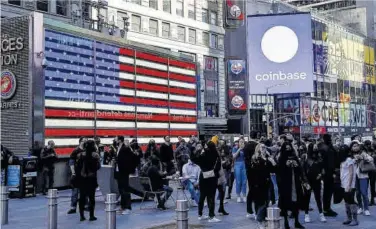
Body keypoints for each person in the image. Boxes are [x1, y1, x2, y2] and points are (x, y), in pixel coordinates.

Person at [191, 141, 221, 223]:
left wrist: (196, 150)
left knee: (202, 195)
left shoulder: (203, 154)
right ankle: (211, 216)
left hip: (202, 176)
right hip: (211, 177)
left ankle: (200, 215)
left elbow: (193, 158)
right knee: (211, 196)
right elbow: (218, 167)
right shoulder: (215, 155)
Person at [278, 142, 307, 229]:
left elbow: (300, 170)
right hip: (285, 185)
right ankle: (286, 223)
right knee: (286, 204)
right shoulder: (281, 158)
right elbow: (279, 171)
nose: (288, 150)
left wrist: (296, 165)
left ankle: (296, 222)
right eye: (286, 148)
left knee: (296, 203)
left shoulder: (294, 156)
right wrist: (285, 165)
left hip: (295, 183)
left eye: (289, 148)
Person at [249, 143, 276, 229]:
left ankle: (263, 219)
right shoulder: (255, 158)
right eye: (262, 147)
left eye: (264, 147)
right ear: (258, 148)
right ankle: (260, 220)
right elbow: (254, 170)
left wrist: (272, 161)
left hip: (267, 182)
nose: (263, 148)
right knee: (260, 202)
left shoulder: (268, 158)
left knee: (267, 202)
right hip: (257, 183)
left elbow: (273, 170)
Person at [75, 140, 101, 221]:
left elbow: (77, 167)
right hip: (91, 179)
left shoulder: (80, 155)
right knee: (92, 198)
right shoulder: (96, 155)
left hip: (82, 179)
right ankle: (91, 216)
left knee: (82, 197)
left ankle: (81, 216)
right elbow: (98, 167)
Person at [303, 143, 326, 223]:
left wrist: (321, 175)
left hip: (317, 180)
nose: (316, 148)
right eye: (314, 147)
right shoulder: (305, 157)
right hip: (308, 181)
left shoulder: (319, 157)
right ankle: (306, 214)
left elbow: (323, 168)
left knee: (318, 198)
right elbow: (303, 171)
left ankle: (321, 214)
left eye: (316, 147)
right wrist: (305, 181)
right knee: (307, 198)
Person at [114, 136, 138, 215]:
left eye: (116, 138)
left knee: (126, 189)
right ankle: (122, 206)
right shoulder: (118, 147)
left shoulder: (126, 148)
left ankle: (128, 207)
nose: (115, 140)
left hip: (124, 171)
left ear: (120, 140)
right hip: (118, 171)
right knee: (121, 189)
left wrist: (130, 169)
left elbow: (132, 158)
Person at [352, 140, 373, 216]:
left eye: (356, 146)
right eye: (354, 146)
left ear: (359, 146)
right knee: (357, 193)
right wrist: (354, 160)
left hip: (363, 175)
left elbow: (371, 159)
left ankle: (366, 209)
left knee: (364, 193)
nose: (355, 147)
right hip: (354, 176)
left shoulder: (363, 153)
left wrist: (363, 158)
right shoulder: (350, 155)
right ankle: (360, 207)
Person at [320, 134, 338, 217]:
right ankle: (326, 209)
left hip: (330, 172)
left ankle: (327, 208)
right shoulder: (324, 147)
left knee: (329, 191)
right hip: (327, 173)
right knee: (327, 191)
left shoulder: (328, 147)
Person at [68, 137, 87, 214]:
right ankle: (73, 207)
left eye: (86, 141)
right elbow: (71, 162)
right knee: (75, 191)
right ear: (80, 142)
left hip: (85, 174)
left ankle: (85, 206)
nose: (85, 143)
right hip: (77, 174)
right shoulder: (75, 151)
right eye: (84, 141)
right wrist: (73, 173)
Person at [340, 143, 358, 226]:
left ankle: (355, 220)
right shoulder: (343, 160)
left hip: (349, 185)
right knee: (347, 202)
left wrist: (349, 185)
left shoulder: (349, 160)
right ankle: (349, 218)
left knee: (351, 202)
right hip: (344, 184)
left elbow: (351, 173)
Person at [244, 131, 258, 218]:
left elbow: (246, 159)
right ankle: (256, 212)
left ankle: (249, 211)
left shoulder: (246, 146)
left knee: (251, 190)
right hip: (256, 170)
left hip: (249, 171)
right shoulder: (257, 145)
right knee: (257, 191)